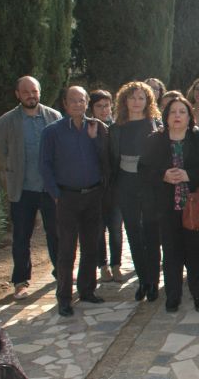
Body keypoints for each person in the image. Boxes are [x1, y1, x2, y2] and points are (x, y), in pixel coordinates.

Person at [139, 96, 199, 313]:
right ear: (165, 117)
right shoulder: (154, 141)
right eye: (173, 112)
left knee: (198, 253)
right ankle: (173, 295)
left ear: (189, 116)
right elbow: (143, 171)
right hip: (166, 208)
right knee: (171, 253)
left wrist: (189, 175)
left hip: (196, 207)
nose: (177, 116)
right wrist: (163, 175)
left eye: (182, 112)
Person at [40, 86, 109, 316]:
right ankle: (64, 298)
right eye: (73, 101)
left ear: (87, 102)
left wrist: (94, 140)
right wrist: (56, 195)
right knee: (67, 249)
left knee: (91, 246)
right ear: (65, 104)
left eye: (82, 100)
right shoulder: (52, 132)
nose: (78, 104)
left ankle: (87, 290)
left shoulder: (96, 127)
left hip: (93, 195)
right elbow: (45, 165)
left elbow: (106, 157)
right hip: (66, 197)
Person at [0, 76, 61, 299]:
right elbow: (2, 156)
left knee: (56, 233)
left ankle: (60, 272)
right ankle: (20, 281)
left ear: (39, 92)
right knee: (22, 237)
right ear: (17, 94)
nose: (31, 95)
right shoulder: (6, 121)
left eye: (34, 91)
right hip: (22, 190)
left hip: (49, 189)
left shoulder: (54, 117)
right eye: (26, 92)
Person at [109, 82, 161, 301]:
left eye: (141, 98)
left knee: (151, 233)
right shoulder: (116, 128)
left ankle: (154, 283)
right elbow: (112, 160)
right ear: (124, 101)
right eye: (132, 98)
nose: (136, 102)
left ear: (148, 101)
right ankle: (143, 280)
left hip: (149, 185)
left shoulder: (155, 125)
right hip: (126, 184)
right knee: (133, 234)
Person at [88, 90, 123, 283]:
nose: (103, 110)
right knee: (98, 229)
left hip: (115, 188)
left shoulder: (116, 128)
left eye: (106, 105)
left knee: (116, 229)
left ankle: (116, 265)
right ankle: (102, 266)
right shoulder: (89, 129)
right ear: (92, 108)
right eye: (99, 106)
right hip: (96, 188)